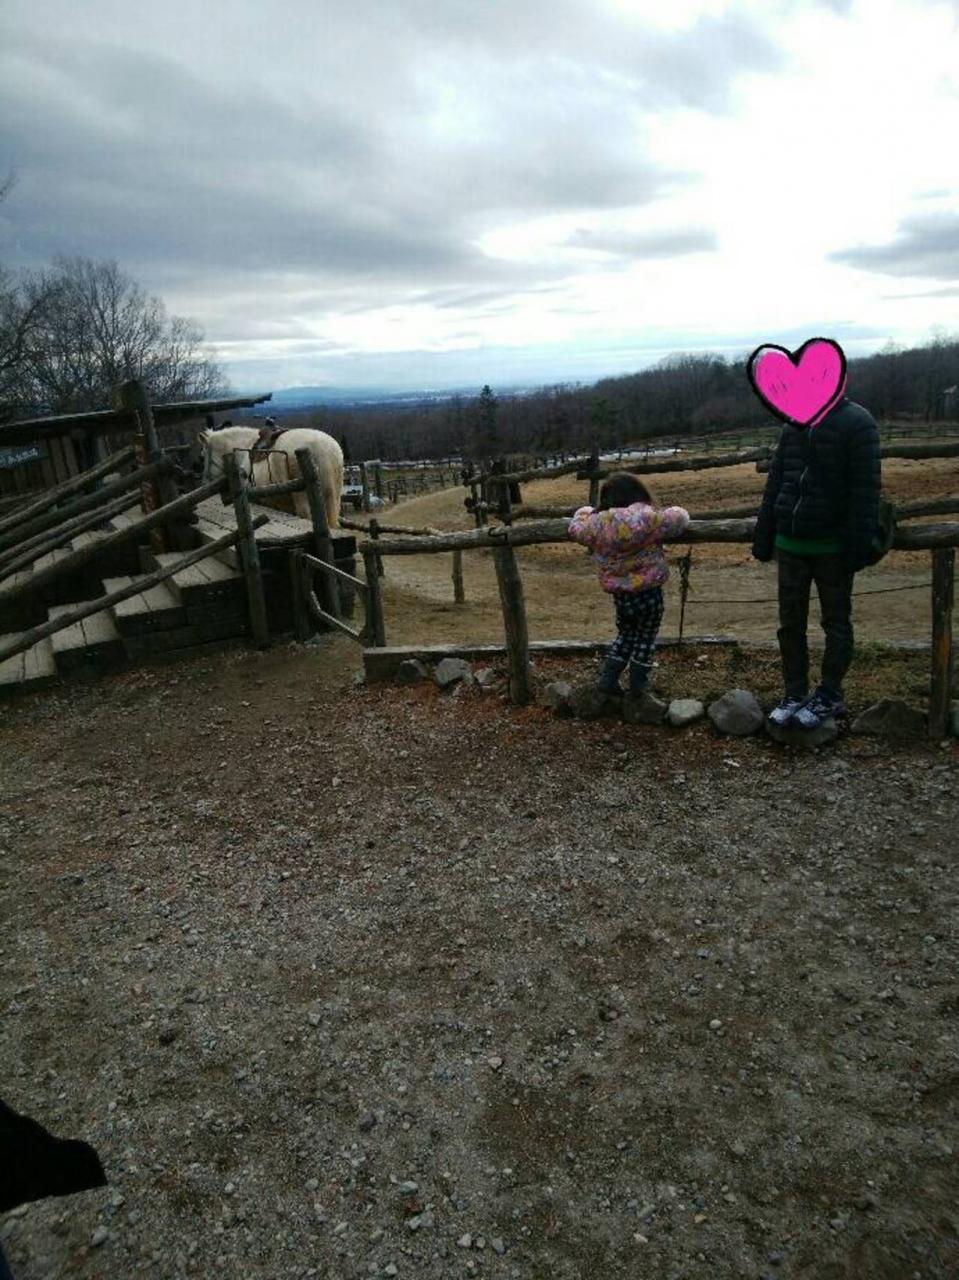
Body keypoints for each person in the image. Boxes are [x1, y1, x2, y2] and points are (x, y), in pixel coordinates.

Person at [752, 395, 881, 728]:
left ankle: (829, 694)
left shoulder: (858, 421)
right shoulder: (793, 422)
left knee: (836, 622)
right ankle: (794, 691)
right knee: (789, 624)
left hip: (832, 546)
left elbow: (866, 489)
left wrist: (855, 547)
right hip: (790, 542)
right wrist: (764, 534)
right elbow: (776, 480)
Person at [568, 473, 690, 698]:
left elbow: (575, 529)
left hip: (621, 595)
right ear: (638, 493)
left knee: (625, 635)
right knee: (645, 637)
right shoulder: (648, 518)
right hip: (649, 591)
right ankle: (638, 687)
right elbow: (679, 519)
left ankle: (608, 679)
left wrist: (583, 511)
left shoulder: (596, 524)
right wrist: (678, 510)